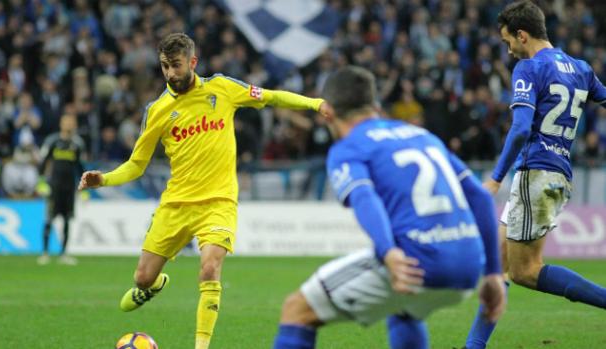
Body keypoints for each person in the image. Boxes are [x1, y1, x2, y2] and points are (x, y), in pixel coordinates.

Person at [77, 33, 329, 349]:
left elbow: (272, 96)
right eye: (165, 67)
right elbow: (136, 165)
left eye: (176, 65)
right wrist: (105, 179)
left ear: (193, 63)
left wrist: (315, 104)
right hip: (176, 204)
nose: (170, 73)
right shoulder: (157, 110)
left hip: (218, 202)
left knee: (210, 268)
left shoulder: (222, 89)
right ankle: (151, 287)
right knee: (142, 277)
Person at [272, 66, 506, 349]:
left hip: (418, 262)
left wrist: (388, 252)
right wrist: (493, 273)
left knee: (296, 310)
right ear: (375, 104)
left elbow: (364, 197)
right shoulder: (420, 135)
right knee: (404, 310)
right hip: (469, 265)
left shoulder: (348, 147)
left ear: (329, 112)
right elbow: (480, 198)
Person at [465, 2, 606, 348]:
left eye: (507, 41)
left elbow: (520, 129)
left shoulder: (529, 68)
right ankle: (473, 346)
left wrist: (496, 177)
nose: (508, 49)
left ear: (522, 35)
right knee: (497, 265)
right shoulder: (580, 68)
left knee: (526, 272)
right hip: (557, 173)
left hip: (536, 172)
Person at [37, 114, 85, 265]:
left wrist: (84, 188)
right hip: (54, 187)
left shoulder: (77, 144)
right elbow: (43, 162)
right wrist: (41, 182)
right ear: (61, 123)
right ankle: (44, 253)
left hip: (69, 188)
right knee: (49, 218)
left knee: (67, 220)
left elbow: (79, 167)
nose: (69, 124)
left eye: (72, 121)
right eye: (67, 121)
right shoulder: (53, 141)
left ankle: (63, 254)